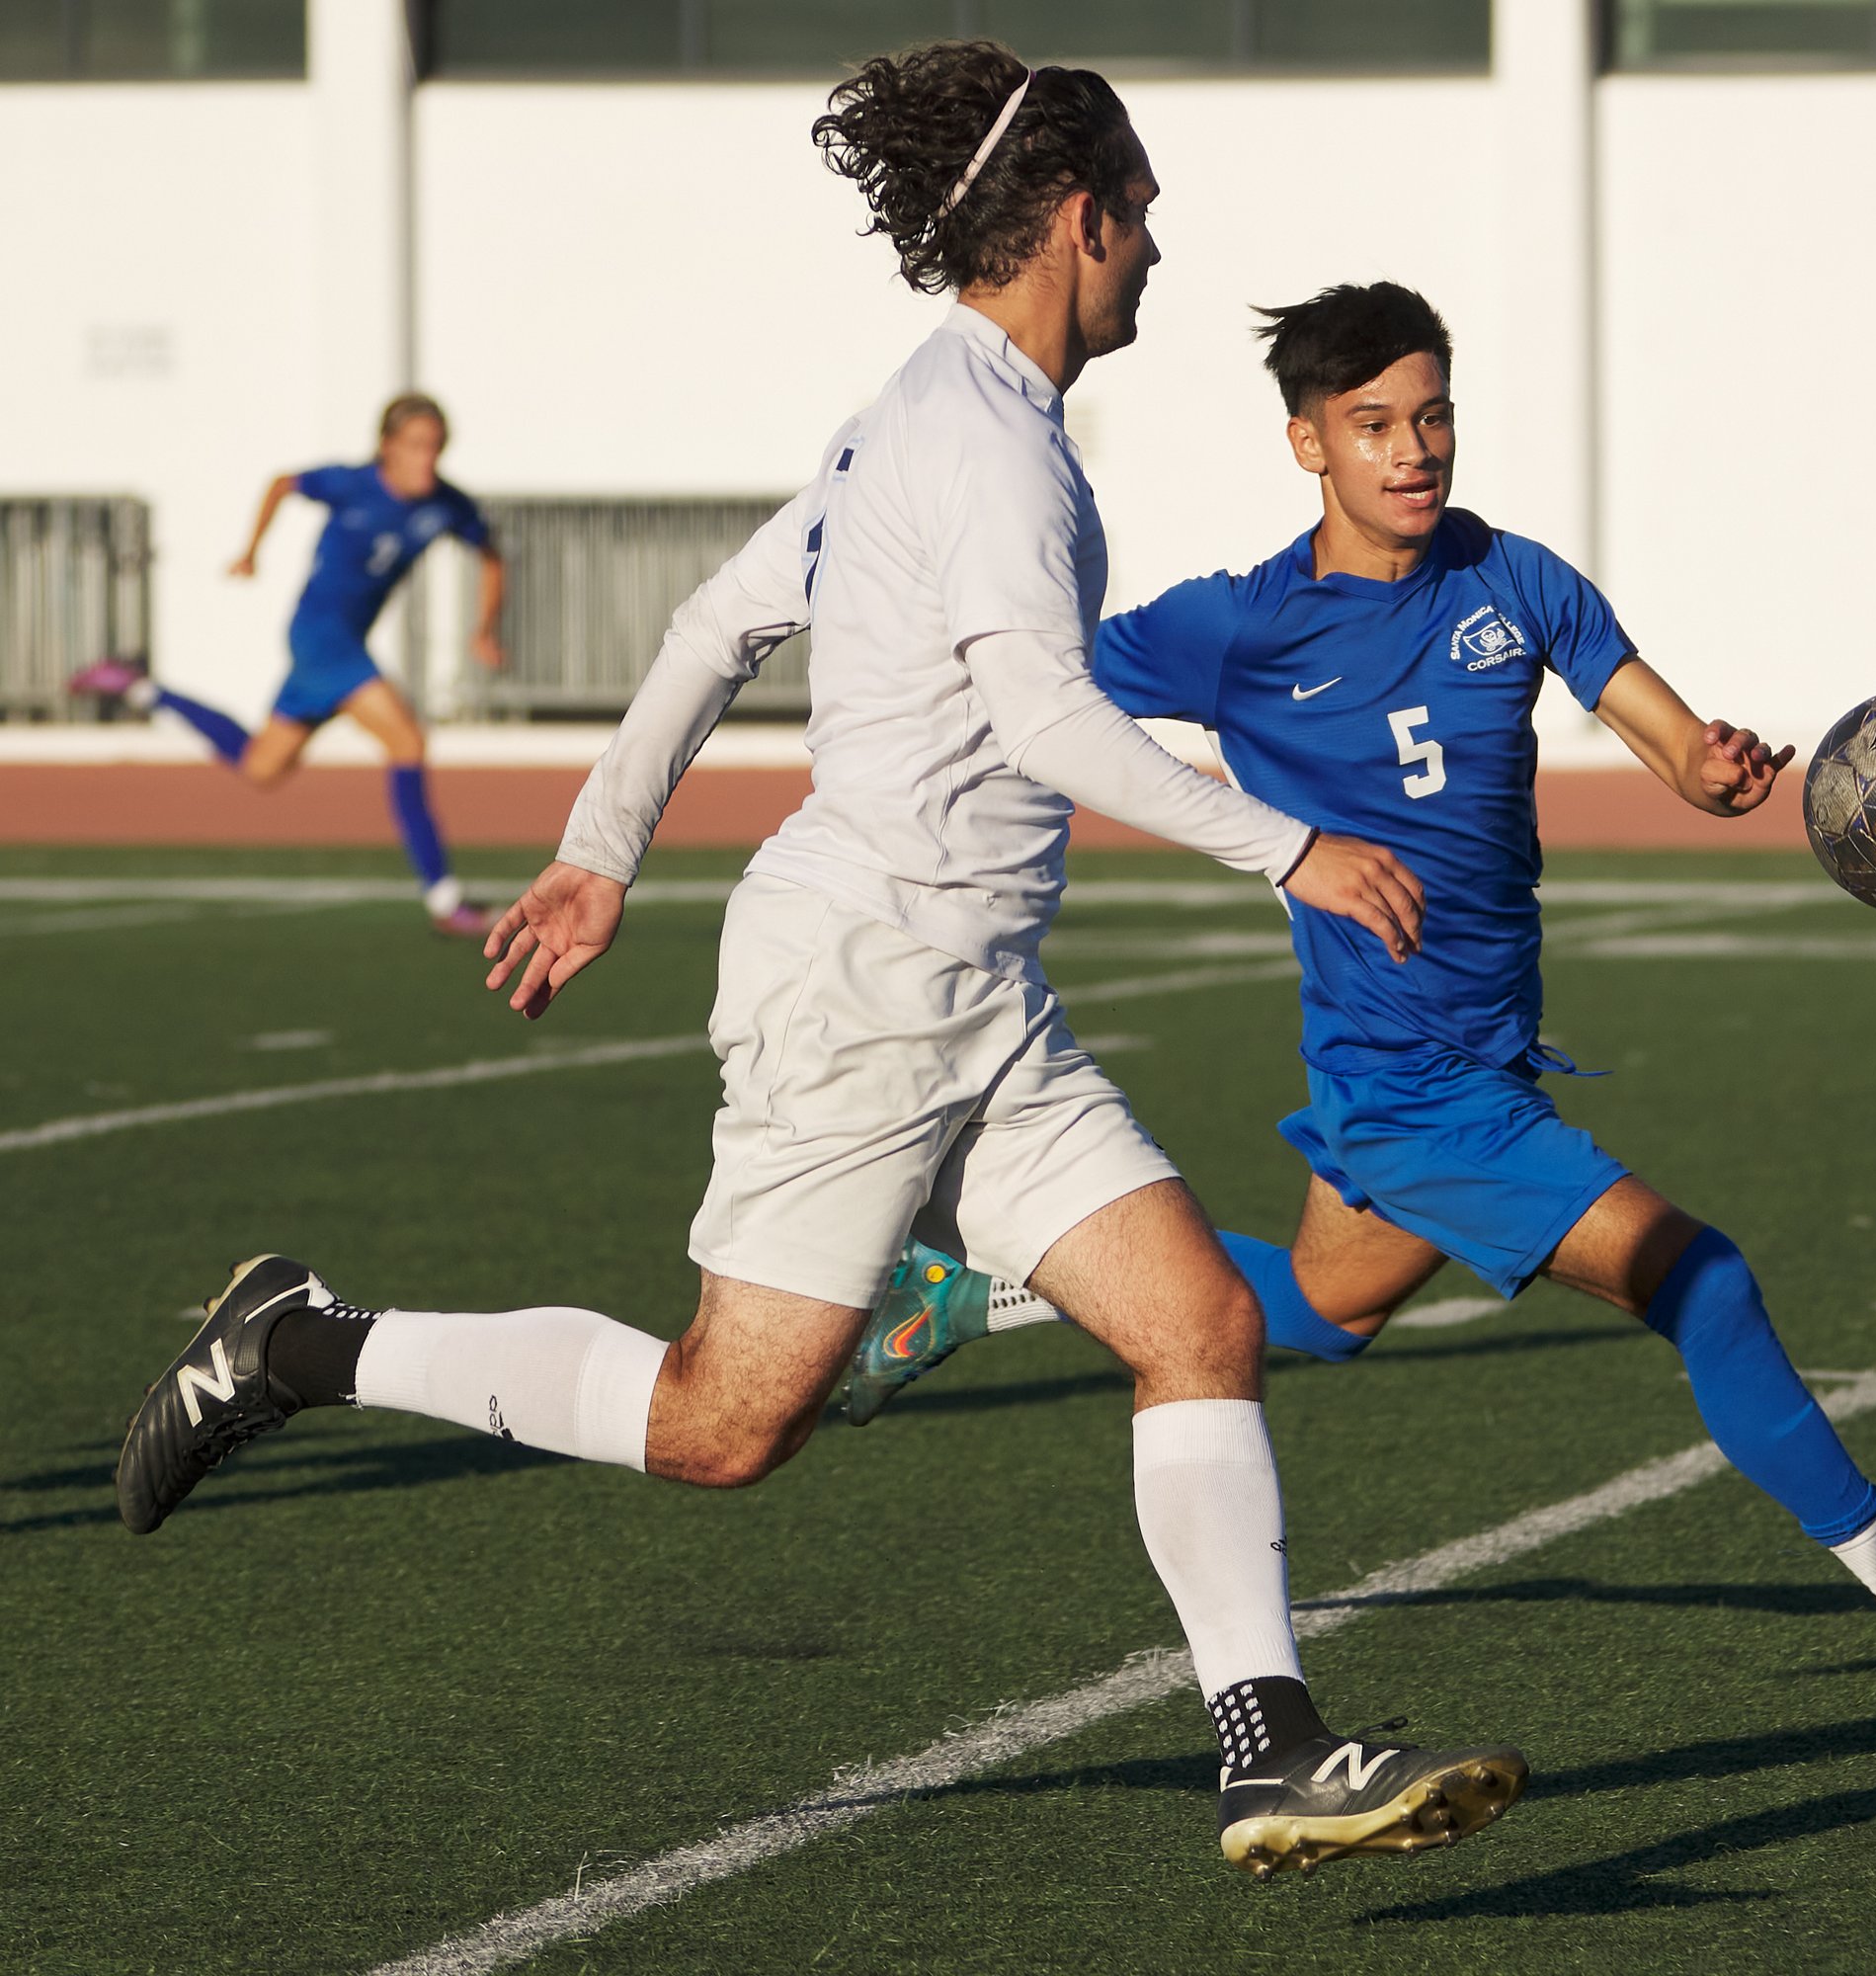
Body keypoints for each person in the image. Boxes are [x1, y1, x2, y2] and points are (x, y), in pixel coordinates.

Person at [113, 53, 1523, 1880]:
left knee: (1201, 1324)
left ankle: (1270, 1747)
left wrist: (599, 852)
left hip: (974, 999)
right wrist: (1295, 847)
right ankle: (294, 1344)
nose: (1160, 250)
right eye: (1147, 214)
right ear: (1081, 220)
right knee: (720, 1427)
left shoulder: (925, 407)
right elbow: (1040, 710)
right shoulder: (993, 443)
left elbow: (720, 624)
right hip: (868, 989)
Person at [841, 282, 1876, 1687]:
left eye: (1432, 414)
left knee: (1321, 1309)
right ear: (1309, 442)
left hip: (1482, 1056)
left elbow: (1669, 743)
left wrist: (1719, 771)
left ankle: (967, 1292)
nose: (1413, 447)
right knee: (1705, 1283)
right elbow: (1031, 686)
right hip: (1409, 1089)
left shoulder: (1518, 580)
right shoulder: (1239, 629)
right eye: (1373, 423)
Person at [68, 394, 504, 936]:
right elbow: (282, 484)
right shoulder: (350, 483)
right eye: (415, 446)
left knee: (262, 768)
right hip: (321, 639)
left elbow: (490, 556)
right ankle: (445, 900)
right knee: (407, 744)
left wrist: (483, 628)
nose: (426, 459)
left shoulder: (447, 506)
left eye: (436, 447)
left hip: (332, 647)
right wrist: (252, 549)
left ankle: (143, 690)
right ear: (387, 446)